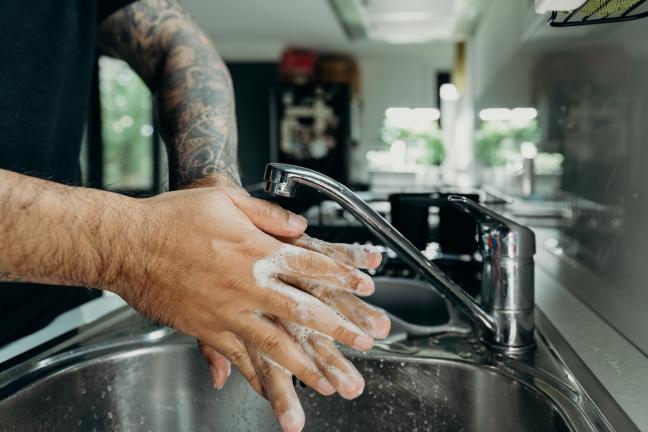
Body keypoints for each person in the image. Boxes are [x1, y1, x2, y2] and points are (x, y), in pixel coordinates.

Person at [0, 1, 390, 431]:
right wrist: (136, 249)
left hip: (58, 325)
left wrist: (211, 191)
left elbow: (174, 40)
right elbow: (134, 248)